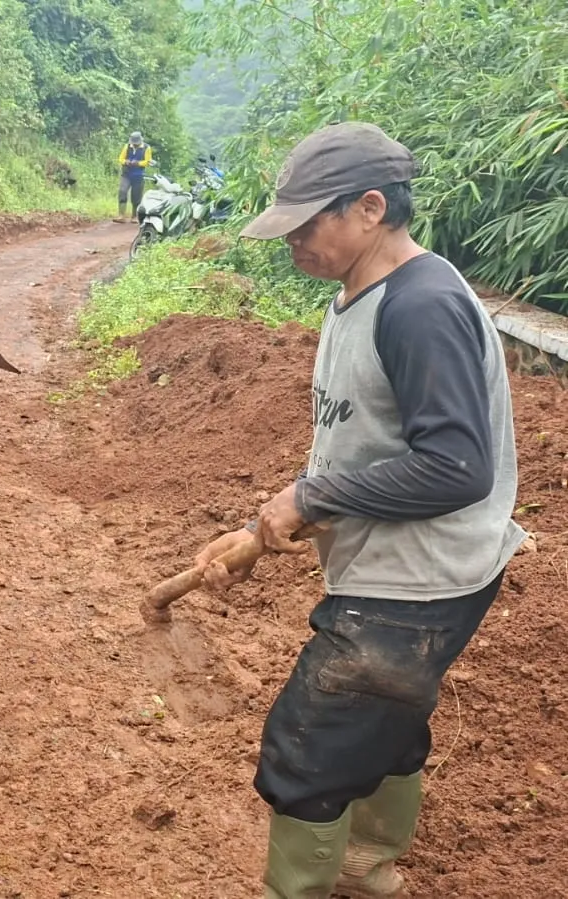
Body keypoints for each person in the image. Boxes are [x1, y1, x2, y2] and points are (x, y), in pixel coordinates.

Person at [192, 122, 524, 899]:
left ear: (370, 208)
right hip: (396, 567)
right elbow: (362, 445)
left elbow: (455, 467)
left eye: (306, 225)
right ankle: (365, 868)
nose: (292, 242)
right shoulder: (358, 298)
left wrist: (311, 498)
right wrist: (267, 522)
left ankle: (316, 882)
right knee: (385, 720)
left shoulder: (420, 305)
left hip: (418, 581)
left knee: (305, 750)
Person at [117, 131, 153, 222]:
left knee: (136, 196)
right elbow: (121, 158)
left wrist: (138, 163)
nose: (135, 145)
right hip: (126, 174)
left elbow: (147, 161)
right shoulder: (127, 146)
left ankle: (134, 216)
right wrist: (126, 162)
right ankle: (121, 215)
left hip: (138, 175)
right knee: (122, 191)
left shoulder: (146, 148)